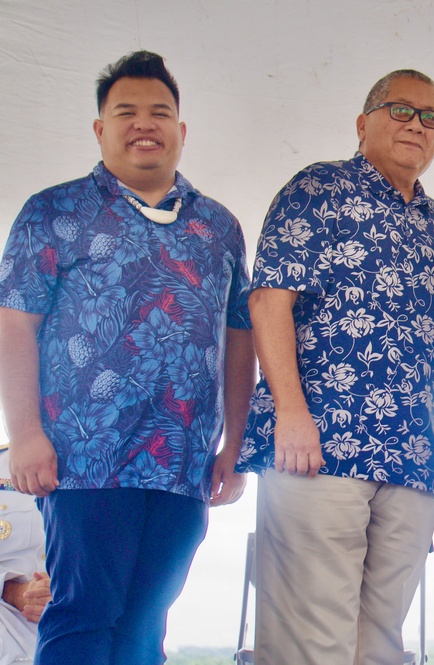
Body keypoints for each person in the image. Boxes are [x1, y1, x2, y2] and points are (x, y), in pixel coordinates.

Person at [0, 51, 255, 665]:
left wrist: (236, 446)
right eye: (127, 112)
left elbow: (241, 335)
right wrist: (26, 434)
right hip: (84, 460)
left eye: (160, 112)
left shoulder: (219, 226)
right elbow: (14, 326)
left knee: (147, 622)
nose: (145, 124)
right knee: (85, 614)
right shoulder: (53, 212)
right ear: (101, 129)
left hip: (183, 462)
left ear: (181, 130)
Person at [237, 69, 434, 665]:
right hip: (320, 447)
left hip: (409, 461)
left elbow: (427, 342)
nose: (416, 123)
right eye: (400, 110)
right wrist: (289, 413)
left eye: (430, 116)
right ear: (363, 125)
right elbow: (268, 300)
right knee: (311, 645)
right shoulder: (317, 188)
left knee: (381, 647)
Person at [0, 444, 50, 664]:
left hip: (94, 644)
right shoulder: (4, 464)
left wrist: (74, 590)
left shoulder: (123, 471)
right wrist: (14, 591)